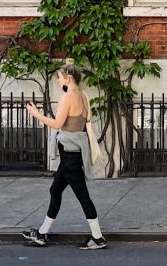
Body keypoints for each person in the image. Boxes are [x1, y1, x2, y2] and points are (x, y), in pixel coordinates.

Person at [21, 60, 107, 250]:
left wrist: (35, 113)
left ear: (68, 78)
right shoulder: (83, 95)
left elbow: (57, 123)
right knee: (55, 190)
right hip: (73, 152)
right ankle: (42, 233)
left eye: (59, 78)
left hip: (70, 155)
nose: (58, 82)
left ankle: (98, 237)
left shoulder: (68, 97)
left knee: (82, 195)